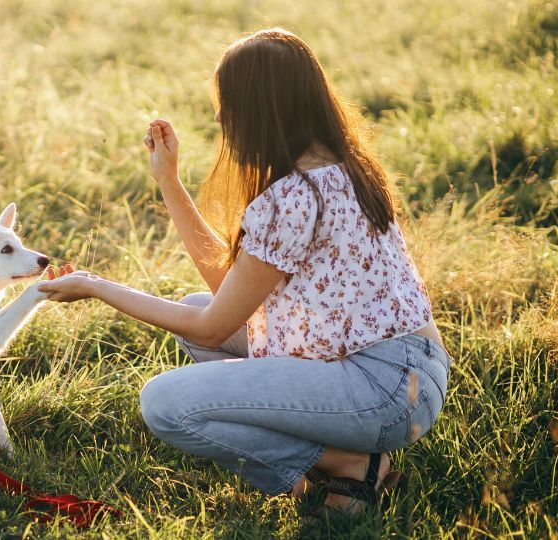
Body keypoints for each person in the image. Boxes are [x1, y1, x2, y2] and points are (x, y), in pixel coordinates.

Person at [37, 28, 451, 515]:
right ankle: (350, 459)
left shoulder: (297, 196)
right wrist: (169, 182)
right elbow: (227, 297)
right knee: (195, 308)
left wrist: (94, 285)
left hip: (384, 390)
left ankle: (348, 464)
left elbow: (214, 327)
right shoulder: (341, 167)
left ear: (262, 108)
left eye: (227, 105)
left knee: (165, 405)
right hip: (407, 373)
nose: (219, 117)